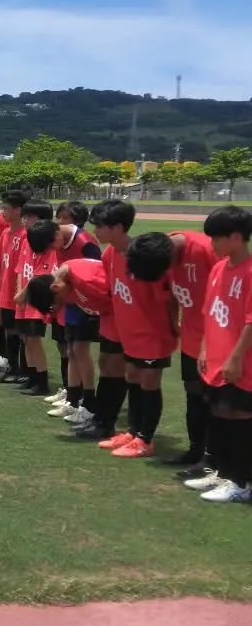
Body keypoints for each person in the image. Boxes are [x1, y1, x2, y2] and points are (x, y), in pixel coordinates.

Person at [93, 205, 179, 459]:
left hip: (153, 334)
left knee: (149, 382)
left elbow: (167, 299)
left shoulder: (143, 258)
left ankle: (146, 439)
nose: (95, 230)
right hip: (129, 334)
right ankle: (133, 432)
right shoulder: (109, 254)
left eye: (100, 226)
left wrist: (173, 329)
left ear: (118, 227)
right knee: (131, 377)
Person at [129, 231, 217, 473]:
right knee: (194, 395)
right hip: (191, 337)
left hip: (216, 340)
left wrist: (212, 342)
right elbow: (170, 296)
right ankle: (197, 451)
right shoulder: (154, 254)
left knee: (216, 401)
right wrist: (175, 324)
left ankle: (216, 460)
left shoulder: (205, 250)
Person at [186, 206, 252, 503]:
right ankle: (223, 471)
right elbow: (209, 313)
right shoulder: (219, 267)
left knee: (238, 415)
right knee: (218, 413)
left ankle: (241, 481)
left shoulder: (249, 271)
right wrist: (203, 348)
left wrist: (237, 357)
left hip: (240, 362)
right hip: (215, 358)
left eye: (216, 238)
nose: (211, 244)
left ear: (236, 237)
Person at [24, 219, 102, 424]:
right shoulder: (57, 243)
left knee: (81, 351)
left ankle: (88, 402)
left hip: (87, 303)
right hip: (68, 301)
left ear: (57, 236)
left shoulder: (86, 243)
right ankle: (73, 399)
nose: (52, 251)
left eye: (51, 246)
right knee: (71, 351)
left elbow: (98, 276)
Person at [12, 200, 57, 397]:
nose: (25, 220)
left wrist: (25, 292)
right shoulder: (26, 240)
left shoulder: (47, 244)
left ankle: (42, 381)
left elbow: (44, 274)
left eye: (29, 217)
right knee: (26, 340)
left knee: (34, 340)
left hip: (36, 300)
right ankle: (31, 376)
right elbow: (21, 270)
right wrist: (20, 291)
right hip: (24, 299)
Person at [0, 191, 28, 381]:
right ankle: (12, 367)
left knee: (22, 332)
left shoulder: (25, 235)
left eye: (6, 208)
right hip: (6, 291)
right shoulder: (6, 233)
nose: (2, 211)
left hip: (19, 291)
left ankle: (24, 371)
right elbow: (0, 260)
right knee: (9, 330)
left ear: (18, 210)